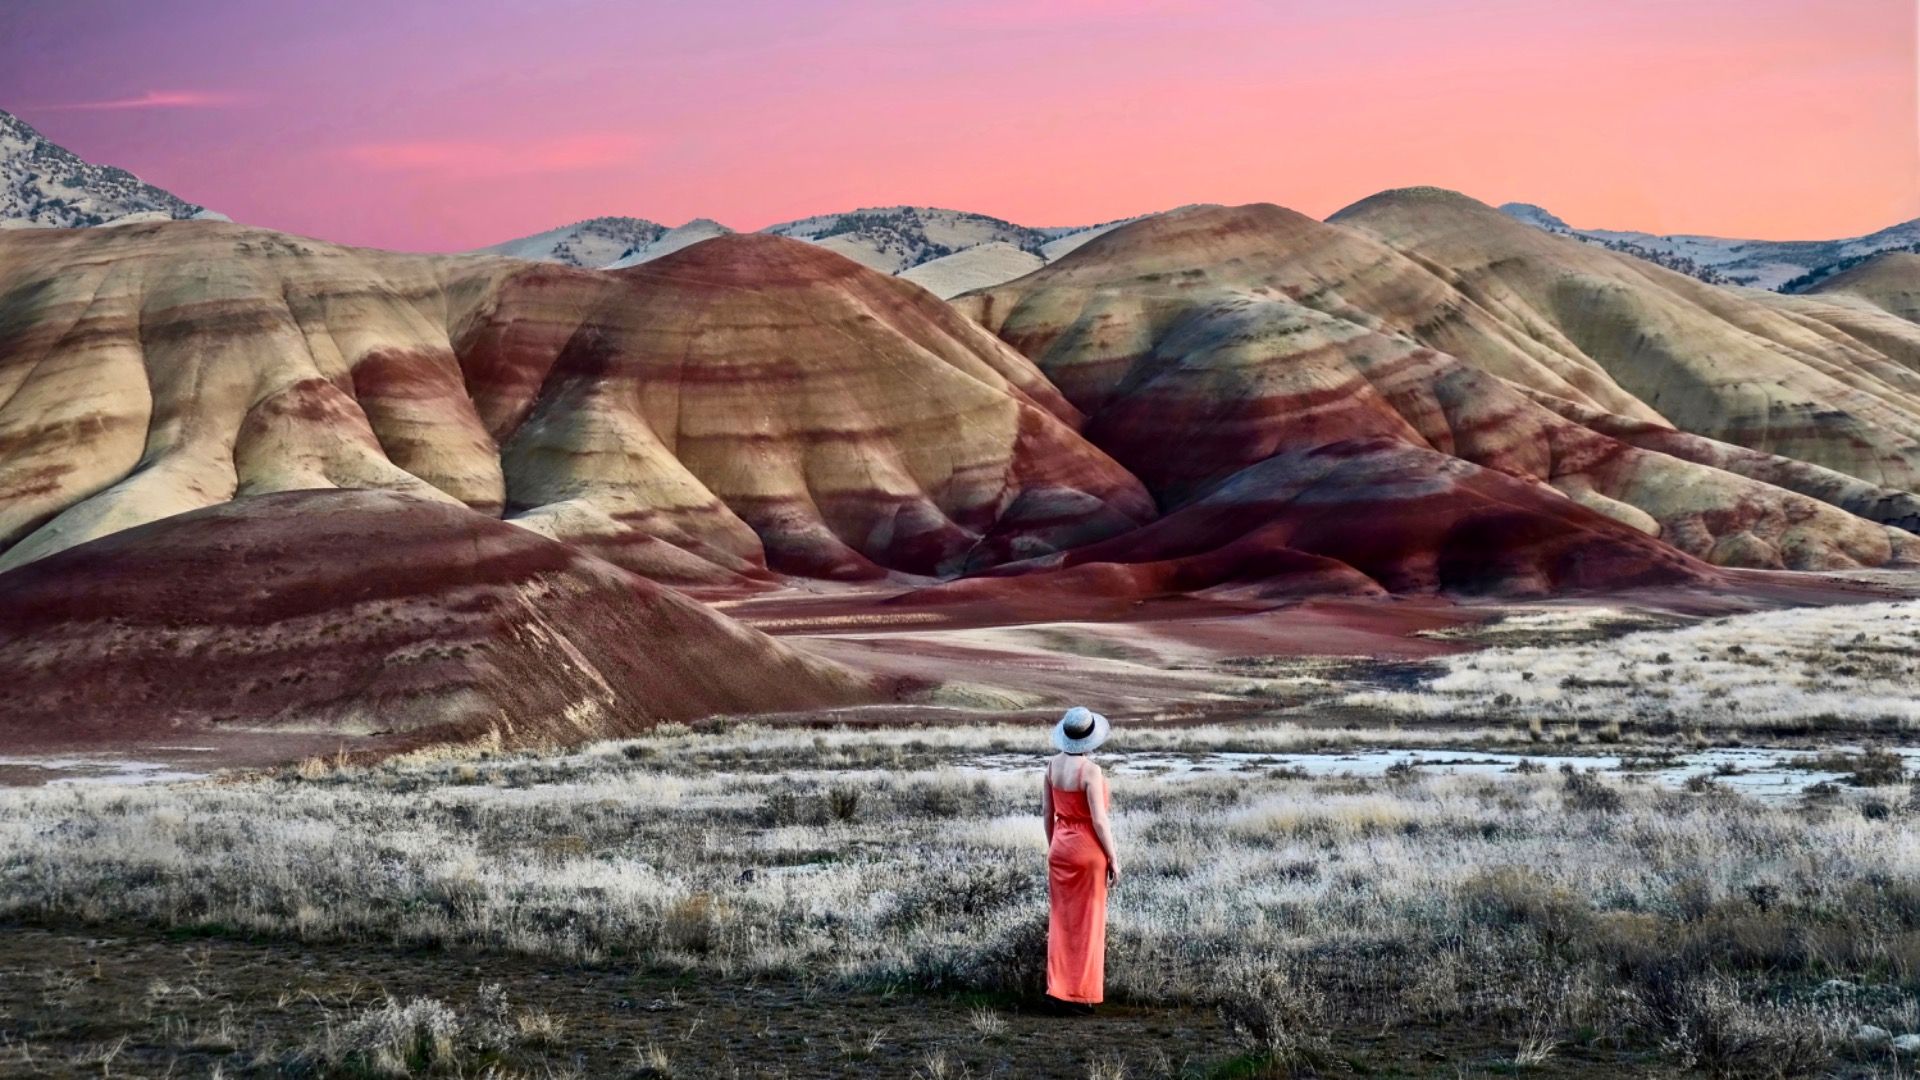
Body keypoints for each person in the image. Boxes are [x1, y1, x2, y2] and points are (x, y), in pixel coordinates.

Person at [1042, 706, 1119, 1014]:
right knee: (1089, 924)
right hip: (1088, 851)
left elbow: (1048, 814)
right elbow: (1099, 821)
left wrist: (1055, 847)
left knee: (1061, 921)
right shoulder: (1090, 771)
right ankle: (1080, 994)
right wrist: (1113, 857)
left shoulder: (1051, 766)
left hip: (1060, 847)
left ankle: (1057, 989)